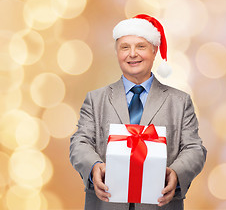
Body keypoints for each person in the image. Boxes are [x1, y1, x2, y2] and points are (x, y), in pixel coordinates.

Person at [70, 14, 207, 210]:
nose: (132, 54)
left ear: (154, 50)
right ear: (117, 52)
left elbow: (194, 149)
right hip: (106, 203)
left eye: (141, 46)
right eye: (125, 47)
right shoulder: (95, 99)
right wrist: (93, 167)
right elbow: (79, 142)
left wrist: (177, 173)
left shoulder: (180, 102)